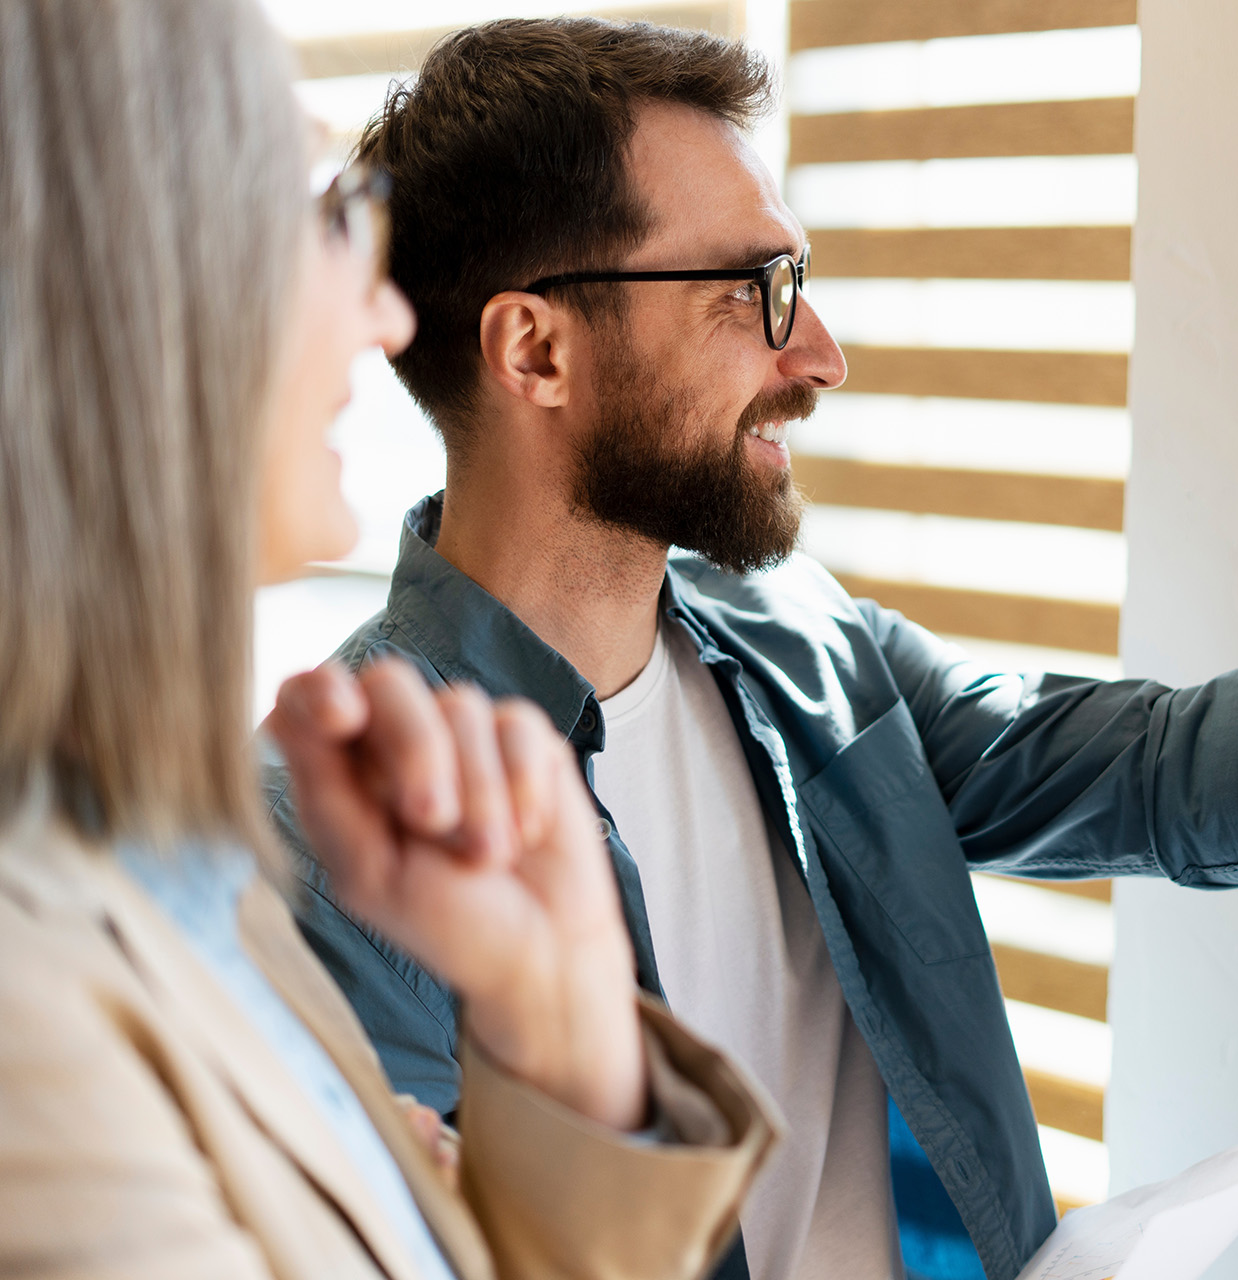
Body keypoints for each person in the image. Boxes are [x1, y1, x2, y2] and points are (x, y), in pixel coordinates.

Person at [261, 16, 1238, 1280]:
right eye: (754, 291)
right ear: (535, 349)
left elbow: (1210, 775)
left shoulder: (811, 655)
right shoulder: (328, 828)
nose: (821, 355)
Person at [0, 2, 777, 1277]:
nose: (386, 314)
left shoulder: (176, 880)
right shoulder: (31, 1023)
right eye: (319, 214)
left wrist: (559, 1037)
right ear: (117, 289)